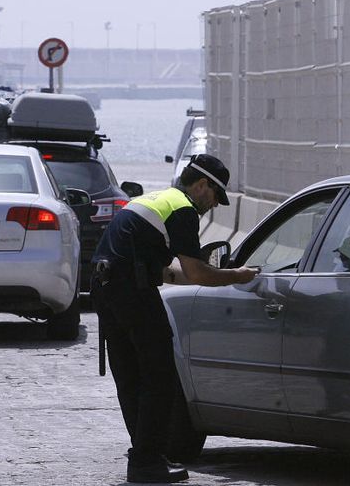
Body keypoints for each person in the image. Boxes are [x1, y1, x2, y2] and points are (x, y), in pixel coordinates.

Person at [90, 154, 259, 483]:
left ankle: (143, 457)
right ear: (201, 185)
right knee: (160, 375)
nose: (213, 205)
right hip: (132, 289)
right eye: (214, 196)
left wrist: (209, 275)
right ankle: (147, 459)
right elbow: (196, 271)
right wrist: (237, 275)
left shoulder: (152, 200)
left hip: (104, 285)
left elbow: (172, 271)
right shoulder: (182, 208)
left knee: (130, 378)